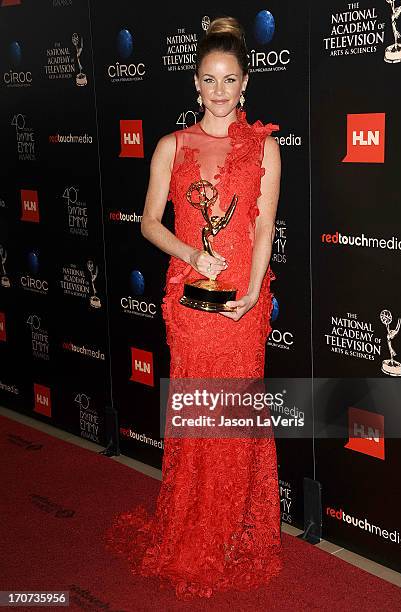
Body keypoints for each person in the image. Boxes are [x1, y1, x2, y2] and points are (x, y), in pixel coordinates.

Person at [104, 16, 283, 600]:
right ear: (195, 85)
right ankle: (190, 526)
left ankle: (236, 532)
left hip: (244, 306)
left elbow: (262, 229)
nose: (220, 91)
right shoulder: (170, 147)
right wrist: (191, 255)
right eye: (210, 79)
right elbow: (150, 223)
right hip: (189, 298)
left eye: (231, 80)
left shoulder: (264, 146)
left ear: (246, 84)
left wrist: (253, 292)